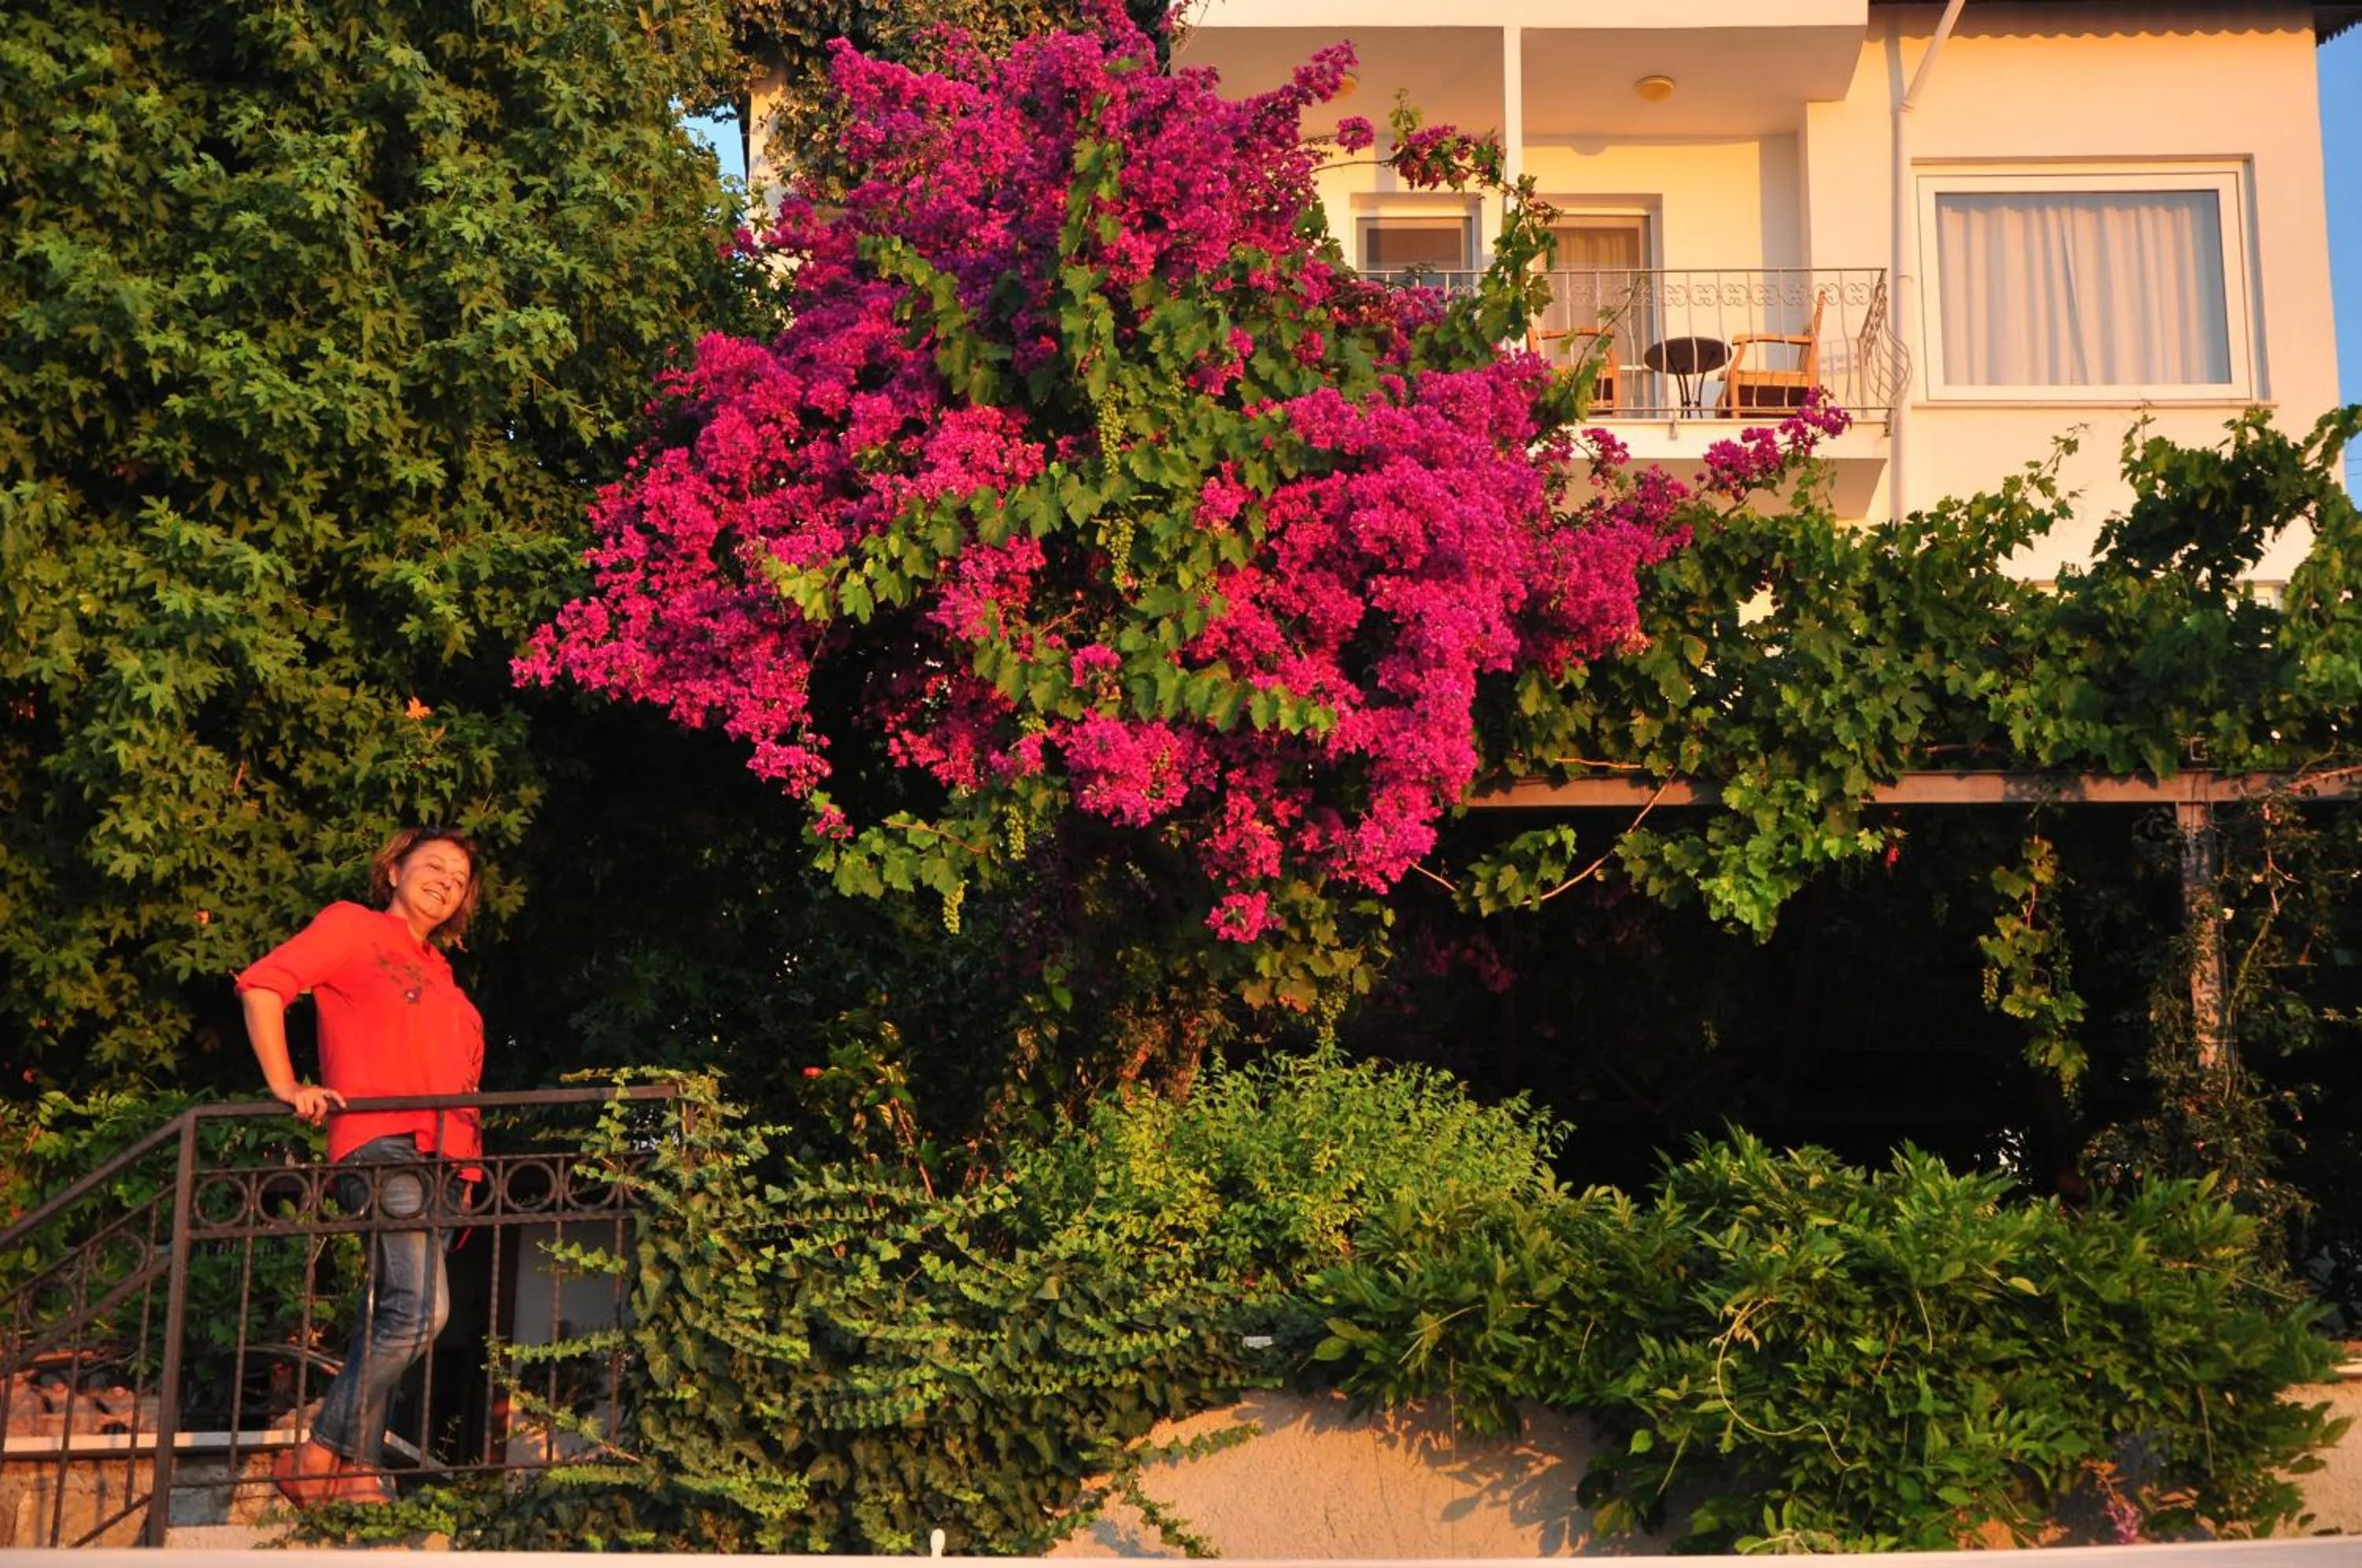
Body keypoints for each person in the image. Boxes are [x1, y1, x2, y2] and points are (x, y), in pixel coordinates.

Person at [237, 826, 487, 1507]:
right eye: (432, 864)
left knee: (385, 1312)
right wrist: (288, 1085)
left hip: (447, 1162)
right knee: (419, 1311)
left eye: (458, 877)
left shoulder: (442, 973)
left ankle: (354, 1470)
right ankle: (317, 1451)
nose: (445, 879)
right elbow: (264, 986)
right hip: (382, 1145)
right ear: (395, 871)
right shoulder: (353, 927)